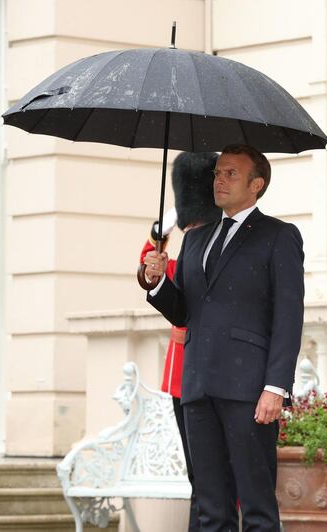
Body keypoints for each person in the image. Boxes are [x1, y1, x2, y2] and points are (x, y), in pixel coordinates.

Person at [143, 144, 305, 532]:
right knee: (210, 508)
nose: (219, 179)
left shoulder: (279, 235)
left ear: (257, 184)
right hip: (197, 387)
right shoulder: (197, 238)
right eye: (218, 172)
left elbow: (288, 318)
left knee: (257, 507)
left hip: (249, 390)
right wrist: (157, 280)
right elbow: (184, 311)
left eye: (231, 173)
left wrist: (275, 387)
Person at [139, 151, 220, 532]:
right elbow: (152, 271)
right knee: (200, 475)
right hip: (183, 373)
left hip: (218, 368)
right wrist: (162, 230)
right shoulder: (182, 241)